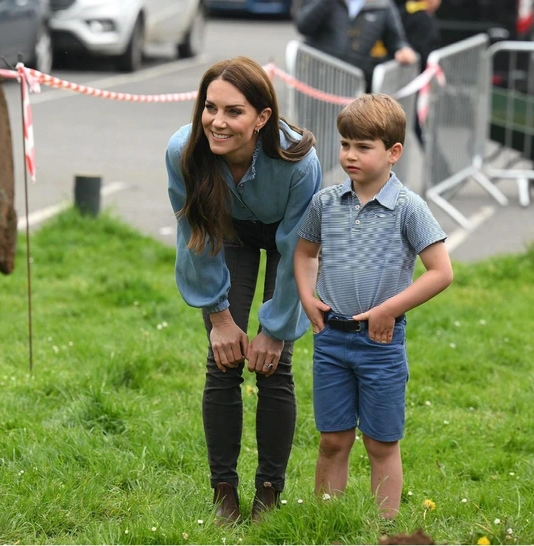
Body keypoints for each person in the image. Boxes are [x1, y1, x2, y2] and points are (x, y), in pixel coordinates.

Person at [165, 56, 322, 525]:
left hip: (285, 239)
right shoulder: (183, 151)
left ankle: (269, 494)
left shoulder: (298, 161)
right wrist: (219, 318)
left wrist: (275, 330)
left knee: (276, 365)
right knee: (223, 358)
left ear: (262, 118)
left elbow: (300, 249)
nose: (217, 121)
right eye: (210, 108)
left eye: (234, 111)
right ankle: (224, 493)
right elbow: (195, 236)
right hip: (225, 232)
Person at [293, 93, 453, 519]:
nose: (350, 155)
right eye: (345, 144)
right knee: (332, 439)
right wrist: (308, 297)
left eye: (363, 147)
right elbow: (305, 253)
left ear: (393, 152)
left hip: (381, 345)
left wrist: (388, 309)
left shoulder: (408, 208)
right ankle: (328, 522)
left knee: (381, 443)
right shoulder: (325, 203)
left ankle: (385, 528)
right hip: (331, 341)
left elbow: (441, 271)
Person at [296, 0, 418, 91]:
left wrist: (402, 49)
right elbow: (303, 26)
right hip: (316, 80)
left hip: (354, 84)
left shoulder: (383, 5)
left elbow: (396, 39)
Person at [395, 0, 443, 145]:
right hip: (416, 84)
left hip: (404, 81)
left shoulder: (403, 11)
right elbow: (426, 52)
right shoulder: (424, 20)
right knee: (418, 127)